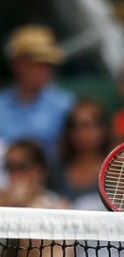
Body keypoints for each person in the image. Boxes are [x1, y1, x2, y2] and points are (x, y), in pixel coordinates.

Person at [0, 25, 74, 159]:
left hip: (50, 177)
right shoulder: (1, 104)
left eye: (47, 65)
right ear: (17, 65)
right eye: (36, 64)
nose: (44, 71)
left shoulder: (65, 105)